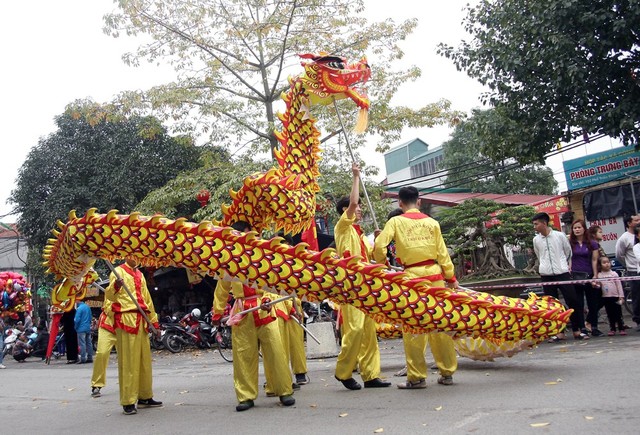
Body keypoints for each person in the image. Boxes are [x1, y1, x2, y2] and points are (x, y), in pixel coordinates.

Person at [373, 185, 458, 389]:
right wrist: (451, 277)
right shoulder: (432, 223)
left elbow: (378, 247)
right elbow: (443, 253)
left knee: (413, 326)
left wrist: (382, 263)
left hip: (411, 279)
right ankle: (447, 372)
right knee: (439, 323)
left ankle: (417, 377)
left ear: (400, 203)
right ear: (419, 202)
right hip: (436, 276)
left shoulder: (395, 221)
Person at [211, 221, 295, 412]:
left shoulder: (262, 256)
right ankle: (245, 396)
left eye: (250, 234)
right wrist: (217, 312)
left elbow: (273, 280)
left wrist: (268, 297)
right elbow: (222, 289)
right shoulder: (228, 260)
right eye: (244, 234)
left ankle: (284, 391)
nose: (249, 238)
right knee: (243, 355)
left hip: (264, 307)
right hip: (242, 310)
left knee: (276, 350)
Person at [333, 163, 390, 391]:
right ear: (345, 210)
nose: (359, 210)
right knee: (354, 330)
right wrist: (356, 177)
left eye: (358, 209)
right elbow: (354, 201)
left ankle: (370, 375)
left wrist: (379, 240)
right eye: (355, 209)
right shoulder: (342, 228)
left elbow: (375, 258)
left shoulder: (360, 235)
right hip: (351, 287)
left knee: (368, 332)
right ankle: (343, 372)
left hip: (367, 286)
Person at [105, 258, 162, 415]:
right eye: (132, 254)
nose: (135, 257)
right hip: (126, 319)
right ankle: (128, 400)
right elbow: (109, 296)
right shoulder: (117, 272)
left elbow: (147, 299)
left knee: (144, 362)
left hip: (142, 320)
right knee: (129, 362)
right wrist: (116, 285)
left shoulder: (140, 274)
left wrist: (154, 321)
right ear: (125, 255)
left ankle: (145, 396)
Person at [532, 212, 588, 341]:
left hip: (562, 272)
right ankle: (558, 332)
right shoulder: (536, 240)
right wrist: (544, 267)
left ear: (544, 223)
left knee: (572, 300)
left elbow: (568, 252)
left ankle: (577, 329)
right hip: (546, 274)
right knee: (551, 305)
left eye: (536, 224)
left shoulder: (559, 236)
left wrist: (563, 265)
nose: (534, 227)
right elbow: (539, 255)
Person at [569, 220, 602, 336]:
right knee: (578, 303)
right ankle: (582, 327)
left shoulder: (592, 243)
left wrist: (595, 275)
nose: (577, 230)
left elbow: (594, 260)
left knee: (593, 303)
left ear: (584, 229)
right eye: (575, 228)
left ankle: (594, 326)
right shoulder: (570, 243)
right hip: (575, 276)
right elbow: (568, 258)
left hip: (589, 274)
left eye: (579, 227)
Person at [615, 214, 640, 331]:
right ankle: (638, 320)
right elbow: (619, 255)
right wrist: (628, 265)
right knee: (637, 297)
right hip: (634, 271)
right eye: (636, 220)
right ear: (629, 223)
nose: (639, 221)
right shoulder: (624, 238)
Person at [90, 298, 117, 398]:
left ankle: (132, 386)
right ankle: (97, 384)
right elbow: (108, 306)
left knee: (128, 358)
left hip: (125, 326)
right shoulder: (113, 286)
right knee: (102, 353)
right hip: (107, 325)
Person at [595, 256, 627, 336]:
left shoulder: (614, 274)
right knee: (610, 313)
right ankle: (612, 328)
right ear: (600, 265)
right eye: (604, 263)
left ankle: (621, 328)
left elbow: (619, 286)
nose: (607, 264)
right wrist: (596, 285)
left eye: (608, 262)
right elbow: (599, 286)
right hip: (606, 297)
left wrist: (621, 296)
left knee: (618, 313)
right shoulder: (599, 275)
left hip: (615, 296)